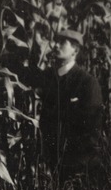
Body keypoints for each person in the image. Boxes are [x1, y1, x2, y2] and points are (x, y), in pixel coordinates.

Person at [31, 28, 104, 180]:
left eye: (62, 43)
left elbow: (92, 127)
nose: (56, 46)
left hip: (79, 164)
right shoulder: (47, 78)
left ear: (75, 50)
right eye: (55, 42)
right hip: (51, 161)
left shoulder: (87, 82)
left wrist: (78, 162)